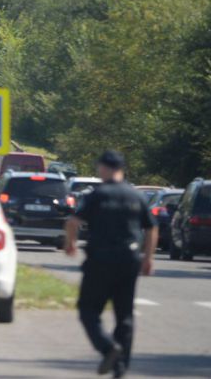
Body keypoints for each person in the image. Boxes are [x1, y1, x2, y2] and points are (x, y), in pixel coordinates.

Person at [64, 150, 156, 378]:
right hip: (129, 260)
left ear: (105, 168)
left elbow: (73, 222)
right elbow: (152, 227)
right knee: (124, 316)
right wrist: (148, 258)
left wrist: (70, 244)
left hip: (100, 261)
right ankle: (120, 368)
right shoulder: (136, 196)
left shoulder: (98, 195)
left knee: (88, 311)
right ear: (122, 169)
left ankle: (108, 348)